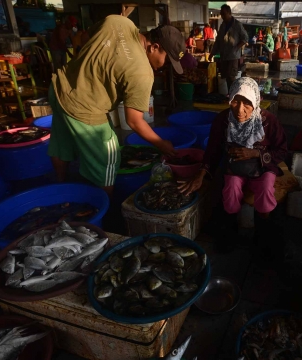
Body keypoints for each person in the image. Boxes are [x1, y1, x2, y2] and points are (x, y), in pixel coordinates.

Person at [49, 16, 184, 197]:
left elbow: (84, 36)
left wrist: (92, 66)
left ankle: (59, 188)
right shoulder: (142, 72)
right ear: (155, 47)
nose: (165, 66)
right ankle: (103, 206)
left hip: (59, 86)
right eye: (167, 60)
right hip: (85, 107)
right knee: (109, 157)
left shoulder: (119, 22)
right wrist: (161, 144)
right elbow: (134, 121)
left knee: (61, 144)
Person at [178, 77, 287, 255]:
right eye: (235, 101)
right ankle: (230, 233)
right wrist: (201, 175)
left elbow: (282, 151)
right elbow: (212, 150)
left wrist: (255, 153)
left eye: (247, 103)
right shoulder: (223, 120)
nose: (240, 110)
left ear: (256, 101)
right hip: (235, 168)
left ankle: (263, 235)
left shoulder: (268, 121)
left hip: (262, 168)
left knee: (266, 189)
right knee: (230, 189)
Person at [209, 5, 248, 89]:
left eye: (224, 14)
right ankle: (230, 95)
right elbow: (218, 41)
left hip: (233, 56)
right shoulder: (222, 25)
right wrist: (212, 53)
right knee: (225, 76)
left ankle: (234, 95)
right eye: (221, 14)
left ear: (229, 13)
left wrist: (237, 47)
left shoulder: (237, 25)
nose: (222, 16)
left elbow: (245, 38)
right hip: (224, 56)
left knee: (231, 76)